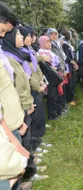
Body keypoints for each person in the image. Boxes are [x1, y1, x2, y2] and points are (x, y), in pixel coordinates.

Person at [0, 3, 30, 188]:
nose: (2, 36)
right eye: (3, 30)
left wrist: (17, 118)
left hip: (9, 124)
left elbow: (7, 90)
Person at [47, 28, 68, 115]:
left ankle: (62, 107)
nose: (54, 36)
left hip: (61, 68)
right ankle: (57, 111)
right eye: (51, 34)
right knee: (57, 91)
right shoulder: (48, 44)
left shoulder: (57, 44)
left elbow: (62, 57)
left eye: (55, 34)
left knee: (62, 89)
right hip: (55, 70)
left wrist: (64, 69)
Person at [61, 29, 79, 106]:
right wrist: (74, 63)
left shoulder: (68, 44)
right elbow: (67, 58)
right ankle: (69, 100)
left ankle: (70, 99)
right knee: (70, 84)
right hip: (68, 67)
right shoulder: (64, 45)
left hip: (70, 66)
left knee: (72, 83)